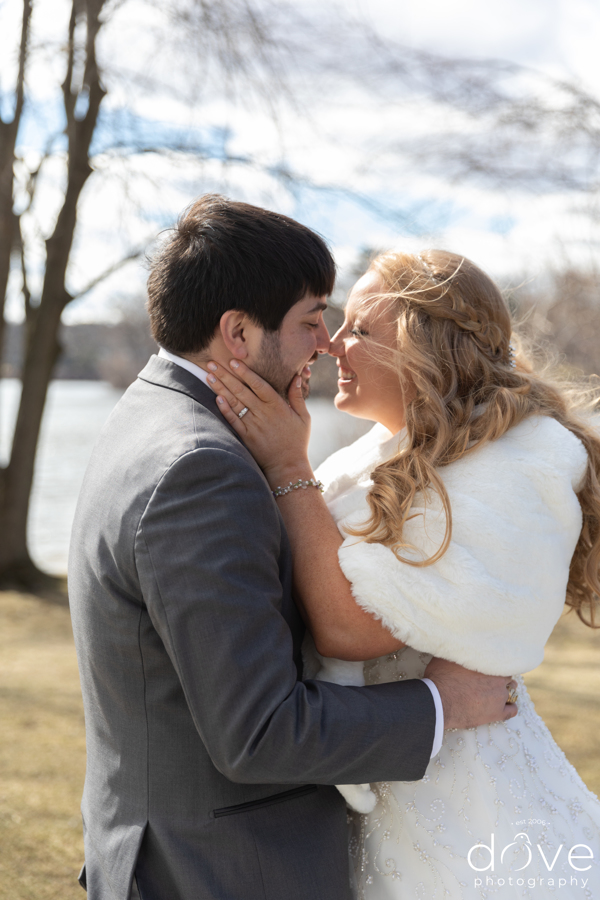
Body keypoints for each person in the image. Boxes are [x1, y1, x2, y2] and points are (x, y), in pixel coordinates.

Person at [68, 199, 515, 900]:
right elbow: (261, 733)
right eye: (312, 319)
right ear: (238, 333)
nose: (327, 343)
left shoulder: (151, 412)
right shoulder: (201, 469)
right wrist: (441, 703)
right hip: (222, 869)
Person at [206, 248, 600, 898]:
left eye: (361, 329)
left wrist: (286, 468)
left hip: (463, 802)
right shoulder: (381, 453)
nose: (332, 344)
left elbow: (350, 629)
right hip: (382, 770)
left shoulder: (516, 466)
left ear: (428, 349)